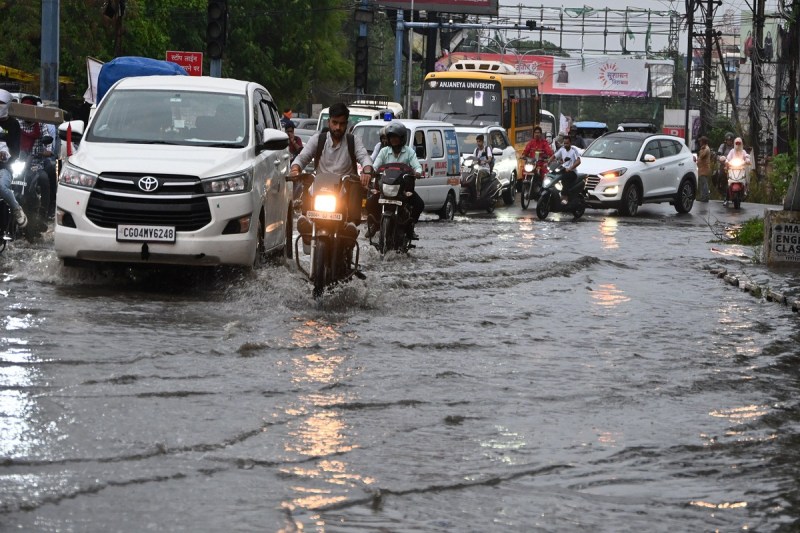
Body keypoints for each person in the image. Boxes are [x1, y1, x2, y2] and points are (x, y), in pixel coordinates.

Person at [290, 103, 373, 246]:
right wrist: (295, 169)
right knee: (309, 179)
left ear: (346, 124)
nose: (337, 127)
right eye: (335, 123)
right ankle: (307, 221)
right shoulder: (318, 139)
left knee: (356, 184)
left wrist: (366, 171)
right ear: (329, 122)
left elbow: (364, 157)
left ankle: (351, 225)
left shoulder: (353, 141)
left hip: (344, 191)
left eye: (342, 124)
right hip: (321, 189)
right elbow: (303, 157)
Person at [368, 120, 425, 240]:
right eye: (391, 137)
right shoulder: (384, 151)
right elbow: (376, 165)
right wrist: (371, 171)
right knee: (370, 202)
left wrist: (418, 172)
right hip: (385, 189)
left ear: (402, 138)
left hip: (402, 190)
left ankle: (410, 227)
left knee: (419, 204)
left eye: (396, 137)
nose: (393, 139)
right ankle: (375, 224)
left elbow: (417, 166)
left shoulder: (409, 152)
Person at [0, 90, 27, 228]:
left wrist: (5, 155)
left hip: (5, 168)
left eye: (1, 103)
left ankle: (16, 208)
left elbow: (16, 151)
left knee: (0, 186)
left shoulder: (14, 124)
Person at [548, 134, 582, 204]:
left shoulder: (574, 150)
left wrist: (570, 168)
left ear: (570, 143)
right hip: (563, 169)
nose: (565, 145)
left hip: (572, 172)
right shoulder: (562, 149)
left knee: (564, 178)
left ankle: (565, 197)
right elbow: (554, 156)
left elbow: (578, 161)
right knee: (552, 175)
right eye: (564, 143)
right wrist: (548, 161)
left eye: (567, 143)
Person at [723, 136, 751, 206]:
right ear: (734, 143)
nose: (738, 145)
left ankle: (746, 189)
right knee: (728, 182)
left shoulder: (743, 151)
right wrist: (726, 161)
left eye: (739, 143)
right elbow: (728, 158)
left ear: (741, 144)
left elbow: (746, 157)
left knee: (746, 178)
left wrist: (747, 160)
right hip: (732, 169)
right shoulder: (732, 151)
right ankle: (726, 199)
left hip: (741, 169)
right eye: (737, 143)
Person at [695, 136, 712, 202]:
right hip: (702, 168)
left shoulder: (706, 148)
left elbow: (702, 156)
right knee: (702, 183)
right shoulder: (704, 148)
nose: (699, 142)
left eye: (700, 141)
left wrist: (702, 149)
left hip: (704, 168)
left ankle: (705, 197)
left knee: (704, 183)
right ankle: (703, 196)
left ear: (703, 142)